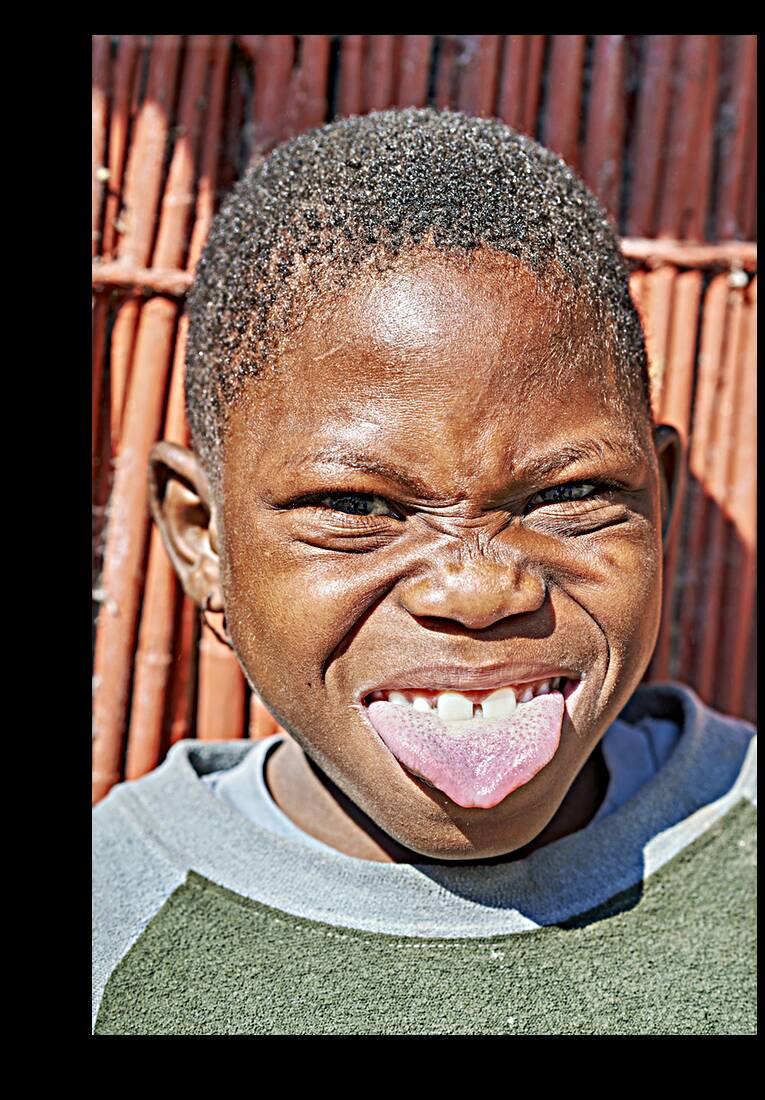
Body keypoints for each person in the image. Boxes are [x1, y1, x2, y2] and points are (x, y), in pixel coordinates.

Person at [92, 108, 756, 1035]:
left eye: (568, 494)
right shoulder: (112, 924)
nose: (480, 592)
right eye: (355, 508)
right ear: (203, 539)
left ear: (660, 502)